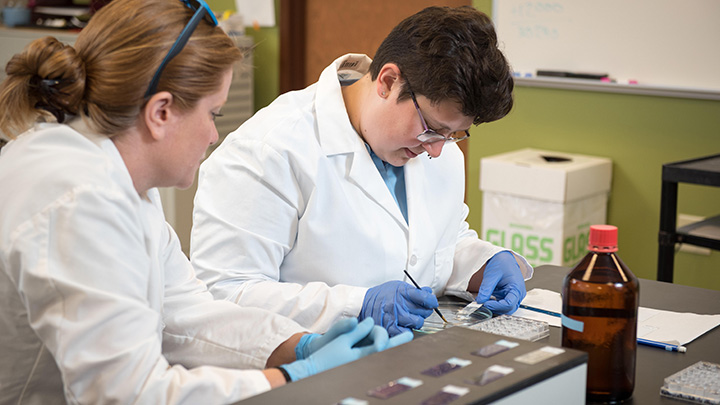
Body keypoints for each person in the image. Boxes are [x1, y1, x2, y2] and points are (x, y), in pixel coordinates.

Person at [0, 0, 411, 403]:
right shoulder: (79, 198)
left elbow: (185, 313)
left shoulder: (115, 173)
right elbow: (129, 393)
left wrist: (300, 345)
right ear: (161, 112)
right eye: (213, 114)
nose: (214, 136)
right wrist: (292, 377)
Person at [190, 5, 533, 337]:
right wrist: (356, 305)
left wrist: (481, 264)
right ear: (387, 81)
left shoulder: (438, 149)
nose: (436, 149)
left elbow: (431, 243)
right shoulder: (269, 150)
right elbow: (225, 293)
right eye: (432, 127)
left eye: (453, 134)